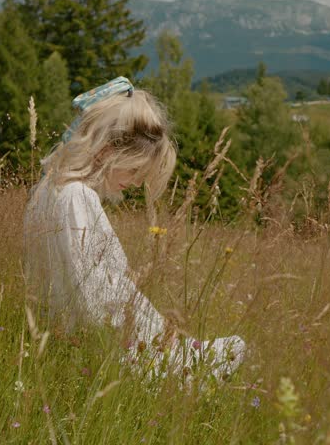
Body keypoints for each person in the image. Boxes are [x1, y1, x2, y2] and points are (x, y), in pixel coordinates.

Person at [24, 77, 245, 379]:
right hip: (105, 353)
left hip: (72, 342)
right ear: (106, 149)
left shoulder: (49, 188)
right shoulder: (77, 197)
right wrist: (152, 344)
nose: (138, 182)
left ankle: (183, 354)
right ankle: (184, 360)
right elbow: (94, 300)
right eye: (134, 169)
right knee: (227, 356)